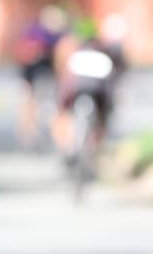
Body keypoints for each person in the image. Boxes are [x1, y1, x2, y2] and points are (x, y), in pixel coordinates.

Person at [52, 16, 126, 162]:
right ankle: (94, 149)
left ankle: (66, 146)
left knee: (62, 114)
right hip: (99, 90)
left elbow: (65, 77)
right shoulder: (104, 51)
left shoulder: (73, 52)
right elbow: (115, 74)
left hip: (76, 89)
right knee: (103, 118)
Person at [13, 5, 66, 149]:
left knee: (39, 103)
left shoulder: (55, 37)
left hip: (42, 76)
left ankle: (34, 132)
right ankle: (27, 132)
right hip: (29, 74)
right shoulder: (37, 34)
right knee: (28, 103)